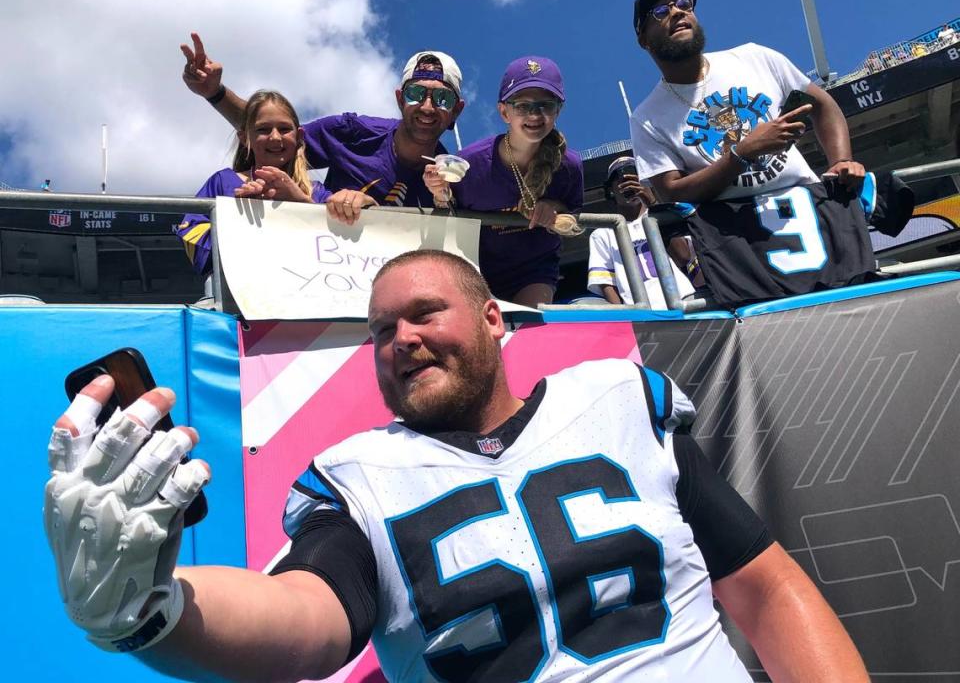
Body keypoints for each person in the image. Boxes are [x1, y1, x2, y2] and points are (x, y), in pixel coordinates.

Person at [45, 249, 871, 682]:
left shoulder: (618, 399)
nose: (398, 338)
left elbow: (762, 584)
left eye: (422, 314)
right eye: (379, 331)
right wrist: (152, 610)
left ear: (492, 320)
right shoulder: (355, 479)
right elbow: (302, 617)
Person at [629, 0, 875, 308]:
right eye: (661, 10)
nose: (677, 11)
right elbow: (669, 191)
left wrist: (841, 160)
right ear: (643, 38)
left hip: (813, 216)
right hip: (741, 249)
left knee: (858, 310)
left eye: (684, 2)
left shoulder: (754, 57)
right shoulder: (647, 116)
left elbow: (822, 105)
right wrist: (741, 154)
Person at [180, 33, 465, 225]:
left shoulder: (452, 176)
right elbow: (277, 134)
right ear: (400, 99)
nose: (427, 107)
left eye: (443, 99)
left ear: (456, 111)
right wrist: (215, 93)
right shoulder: (352, 131)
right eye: (416, 94)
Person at [423, 57, 583, 307]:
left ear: (558, 110)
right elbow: (448, 213)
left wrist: (553, 207)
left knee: (528, 328)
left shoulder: (570, 166)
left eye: (545, 105)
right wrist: (439, 192)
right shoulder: (470, 163)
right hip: (475, 270)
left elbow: (573, 212)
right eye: (521, 105)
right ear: (504, 112)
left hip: (534, 272)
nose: (534, 114)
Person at [176, 89, 327, 276]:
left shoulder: (318, 193)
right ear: (245, 138)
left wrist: (303, 204)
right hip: (234, 298)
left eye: (284, 129)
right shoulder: (223, 182)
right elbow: (190, 232)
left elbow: (338, 249)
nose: (275, 137)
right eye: (263, 129)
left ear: (299, 136)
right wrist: (243, 221)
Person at [587, 156, 698, 307]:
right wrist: (627, 316)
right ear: (611, 190)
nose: (628, 184)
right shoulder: (603, 233)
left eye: (636, 176)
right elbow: (606, 283)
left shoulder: (664, 215)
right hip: (640, 311)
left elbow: (683, 257)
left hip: (682, 299)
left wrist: (653, 204)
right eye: (620, 179)